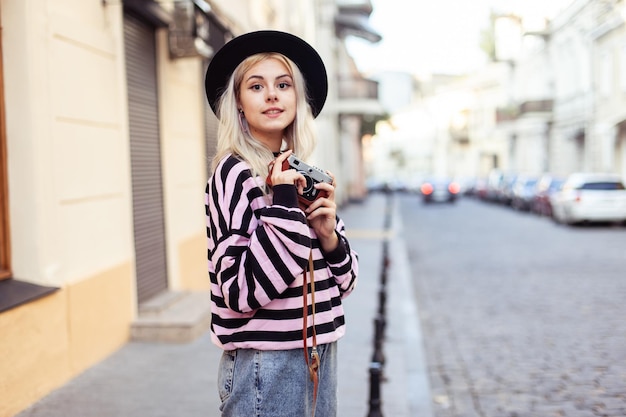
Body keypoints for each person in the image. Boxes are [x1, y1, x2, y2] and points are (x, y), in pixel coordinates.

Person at [203, 30, 359, 417]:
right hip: (266, 363)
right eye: (256, 86)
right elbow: (240, 292)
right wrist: (285, 203)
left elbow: (347, 282)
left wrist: (328, 238)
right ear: (238, 104)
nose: (272, 95)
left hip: (321, 351)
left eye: (283, 84)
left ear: (297, 98)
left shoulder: (299, 173)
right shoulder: (233, 172)